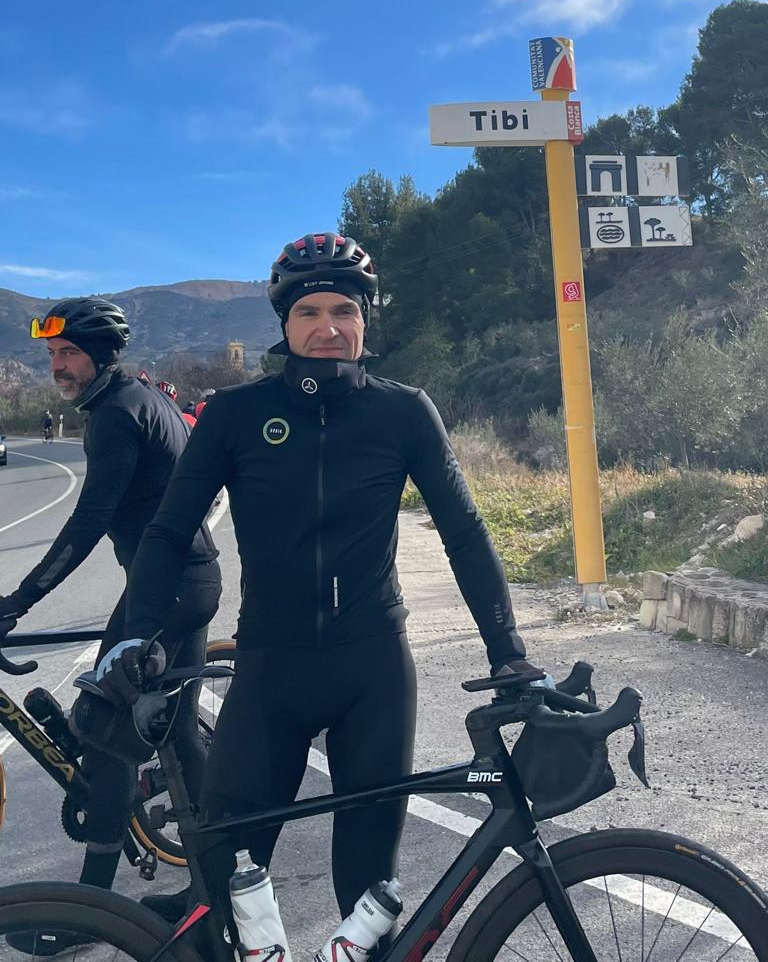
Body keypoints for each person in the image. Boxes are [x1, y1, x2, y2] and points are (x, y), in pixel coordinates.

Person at [107, 233, 539, 940]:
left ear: (366, 319)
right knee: (223, 883)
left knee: (368, 895)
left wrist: (508, 651)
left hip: (372, 669)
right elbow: (167, 532)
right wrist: (137, 635)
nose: (328, 327)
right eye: (309, 312)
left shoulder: (404, 411)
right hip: (269, 669)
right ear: (285, 324)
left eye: (345, 310)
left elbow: (464, 533)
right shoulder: (234, 415)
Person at [0, 297, 222, 955]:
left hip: (168, 592)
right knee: (179, 739)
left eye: (68, 353)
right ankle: (215, 887)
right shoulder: (146, 397)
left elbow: (89, 520)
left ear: (99, 355)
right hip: (184, 584)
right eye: (51, 355)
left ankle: (87, 915)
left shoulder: (116, 416)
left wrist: (19, 601)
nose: (57, 366)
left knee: (108, 738)